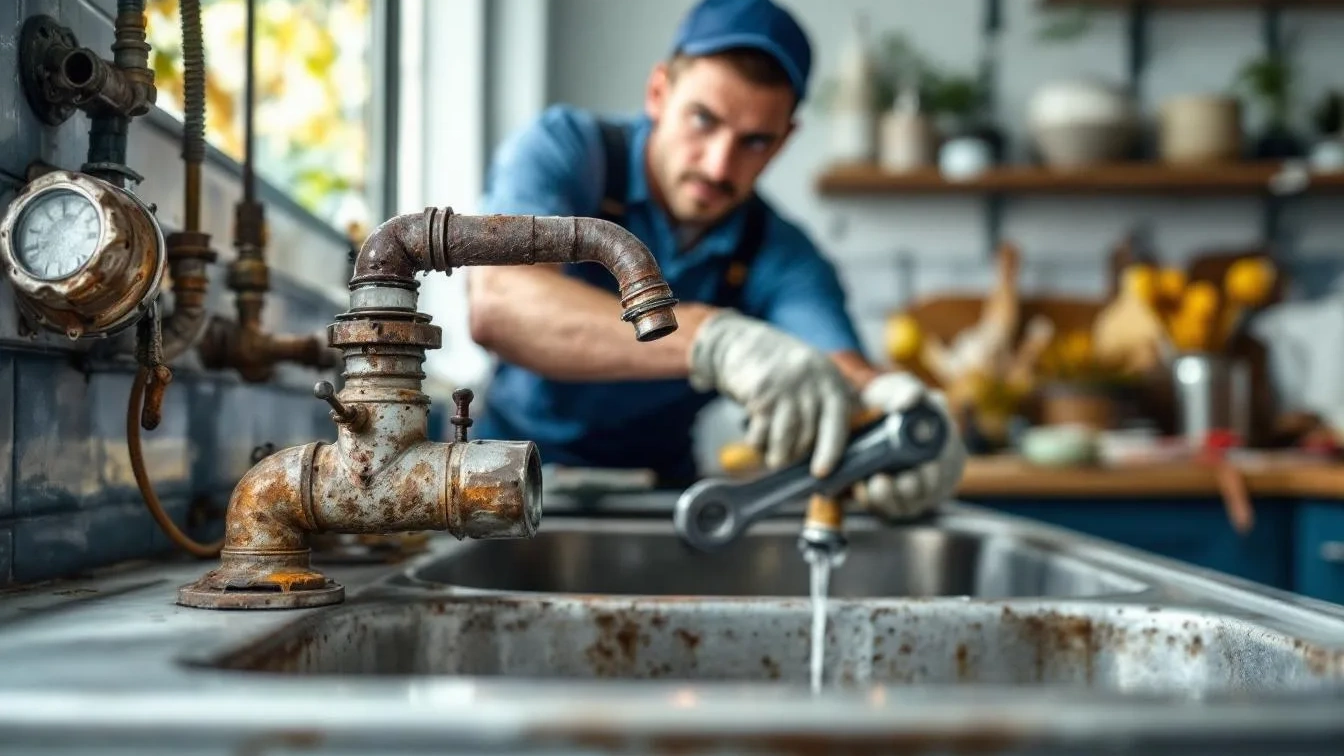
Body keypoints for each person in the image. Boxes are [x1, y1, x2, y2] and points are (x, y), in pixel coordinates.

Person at [467, 0, 966, 519]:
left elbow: (839, 376)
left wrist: (901, 417)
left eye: (754, 141)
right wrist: (713, 340)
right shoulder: (569, 153)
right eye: (703, 120)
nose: (719, 164)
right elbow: (500, 303)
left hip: (659, 502)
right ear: (658, 93)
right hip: (499, 480)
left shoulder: (779, 252)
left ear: (783, 142)